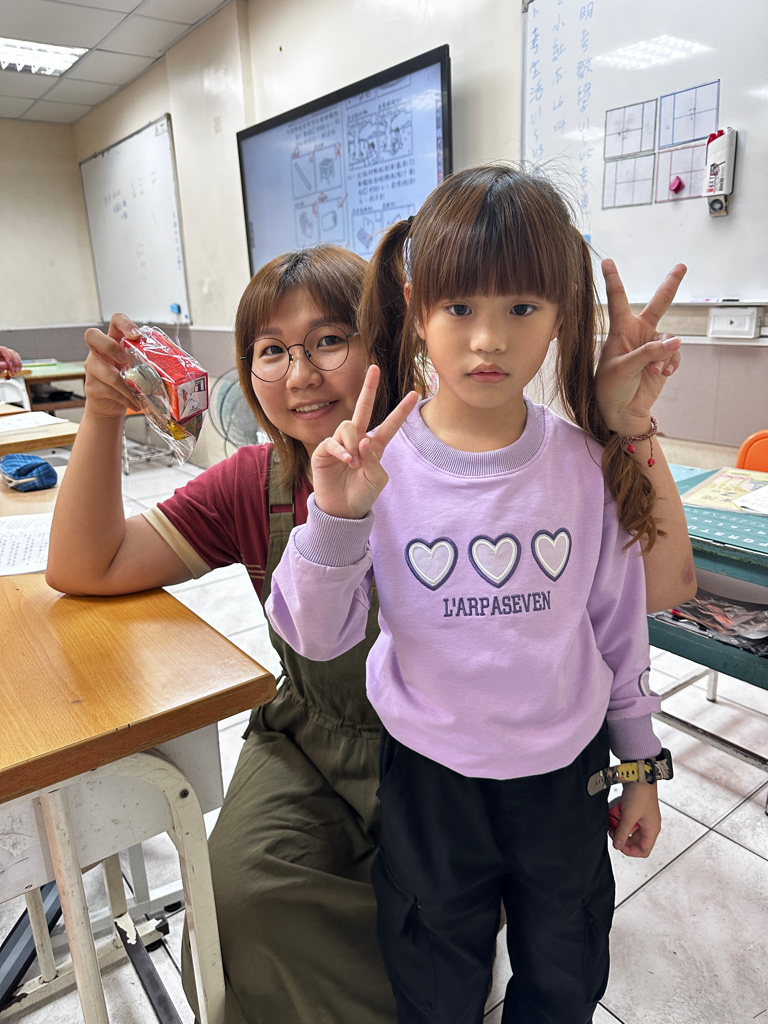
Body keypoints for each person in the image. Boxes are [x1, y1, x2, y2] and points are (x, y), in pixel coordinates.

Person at [46, 227, 694, 1024]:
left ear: (392, 332)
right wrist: (101, 414)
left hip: (449, 754)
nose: (301, 374)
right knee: (242, 914)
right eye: (271, 351)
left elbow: (658, 587)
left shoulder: (471, 462)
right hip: (309, 743)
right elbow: (88, 565)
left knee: (443, 933)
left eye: (329, 340)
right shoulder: (253, 482)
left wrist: (627, 426)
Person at [265, 165, 693, 1024]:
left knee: (566, 969)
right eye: (460, 308)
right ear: (419, 310)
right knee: (434, 975)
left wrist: (640, 766)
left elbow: (618, 632)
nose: (489, 340)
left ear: (561, 316)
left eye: (522, 307)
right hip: (430, 780)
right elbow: (314, 637)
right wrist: (338, 521)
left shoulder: (583, 464)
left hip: (566, 778)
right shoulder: (375, 468)